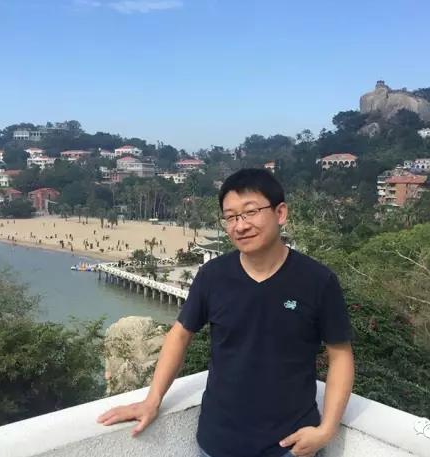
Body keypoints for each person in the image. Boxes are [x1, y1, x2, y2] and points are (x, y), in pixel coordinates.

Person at [97, 168, 355, 457]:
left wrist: (327, 429)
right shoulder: (212, 276)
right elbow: (179, 335)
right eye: (231, 217)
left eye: (250, 212)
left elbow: (340, 355)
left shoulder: (317, 281)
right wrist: (152, 399)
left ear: (280, 213)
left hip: (289, 446)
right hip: (216, 442)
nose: (240, 226)